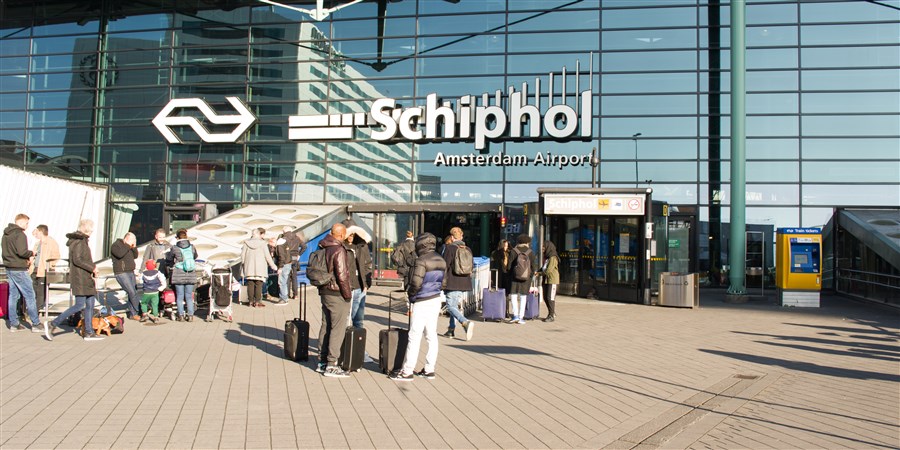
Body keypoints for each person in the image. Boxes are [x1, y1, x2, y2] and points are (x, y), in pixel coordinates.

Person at [390, 232, 446, 381]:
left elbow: (415, 282)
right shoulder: (441, 259)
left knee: (414, 335)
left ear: (421, 244)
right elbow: (444, 282)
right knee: (431, 335)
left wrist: (412, 296)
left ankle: (407, 371)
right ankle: (429, 369)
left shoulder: (421, 260)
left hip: (422, 300)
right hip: (435, 299)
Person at [44, 219, 103, 341]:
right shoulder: (79, 242)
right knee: (79, 305)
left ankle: (89, 331)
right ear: (87, 229)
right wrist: (93, 268)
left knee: (90, 304)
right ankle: (52, 324)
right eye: (91, 229)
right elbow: (78, 260)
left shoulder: (80, 241)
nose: (92, 232)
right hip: (80, 278)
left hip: (85, 277)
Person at [316, 223, 352, 378]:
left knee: (326, 325)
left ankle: (322, 362)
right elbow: (342, 275)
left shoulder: (323, 247)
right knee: (337, 328)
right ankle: (332, 365)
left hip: (324, 291)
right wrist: (348, 295)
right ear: (341, 235)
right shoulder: (338, 249)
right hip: (337, 293)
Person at [3, 213, 43, 333]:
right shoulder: (20, 234)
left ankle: (14, 324)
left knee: (13, 296)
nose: (27, 226)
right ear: (21, 222)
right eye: (26, 223)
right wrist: (31, 253)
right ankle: (36, 323)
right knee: (30, 295)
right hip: (19, 268)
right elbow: (22, 252)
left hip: (9, 267)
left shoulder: (5, 235)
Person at [440, 227, 474, 341]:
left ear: (452, 237)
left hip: (452, 281)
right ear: (462, 236)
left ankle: (465, 322)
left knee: (450, 307)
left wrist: (441, 282)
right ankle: (451, 329)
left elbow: (444, 266)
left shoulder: (450, 248)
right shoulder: (468, 249)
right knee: (454, 305)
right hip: (464, 282)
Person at [167, 229, 199, 321]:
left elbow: (169, 258)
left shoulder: (175, 248)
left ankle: (180, 315)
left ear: (177, 237)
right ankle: (190, 315)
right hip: (190, 273)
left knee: (180, 296)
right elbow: (195, 256)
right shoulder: (192, 247)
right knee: (189, 296)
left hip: (178, 273)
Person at [345, 225, 373, 330]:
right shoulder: (342, 247)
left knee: (359, 319)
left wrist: (366, 284)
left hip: (360, 286)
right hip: (347, 286)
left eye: (353, 235)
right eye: (349, 234)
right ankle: (346, 342)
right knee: (347, 318)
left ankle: (358, 342)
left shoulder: (361, 246)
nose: (350, 237)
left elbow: (367, 264)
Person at [240, 228, 276, 308]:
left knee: (250, 284)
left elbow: (242, 256)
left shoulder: (246, 243)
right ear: (259, 234)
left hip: (249, 267)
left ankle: (250, 301)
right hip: (260, 268)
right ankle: (257, 302)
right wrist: (273, 266)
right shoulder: (263, 243)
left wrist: (244, 264)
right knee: (259, 284)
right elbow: (267, 256)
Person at [506, 234, 537, 324]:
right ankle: (521, 317)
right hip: (526, 278)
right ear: (527, 242)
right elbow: (533, 266)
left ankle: (515, 315)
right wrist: (530, 275)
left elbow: (509, 266)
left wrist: (511, 274)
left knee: (514, 295)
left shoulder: (513, 251)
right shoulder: (530, 252)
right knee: (523, 296)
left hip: (514, 277)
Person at [30, 224, 60, 313]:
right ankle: (33, 308)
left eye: (37, 232)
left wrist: (50, 265)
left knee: (41, 292)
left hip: (43, 270)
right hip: (34, 269)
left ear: (41, 232)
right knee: (33, 291)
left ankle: (36, 310)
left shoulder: (51, 242)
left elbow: (56, 256)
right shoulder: (37, 243)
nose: (36, 234)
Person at [111, 232, 140, 320]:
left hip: (130, 271)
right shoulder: (116, 245)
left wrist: (134, 247)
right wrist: (128, 245)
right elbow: (120, 254)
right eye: (131, 241)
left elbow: (135, 256)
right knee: (131, 292)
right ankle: (138, 311)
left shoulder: (129, 247)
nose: (132, 243)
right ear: (126, 239)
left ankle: (132, 313)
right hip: (121, 272)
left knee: (133, 292)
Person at [280, 226, 307, 300]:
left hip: (287, 258)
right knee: (294, 276)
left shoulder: (284, 239)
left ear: (284, 232)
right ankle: (295, 295)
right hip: (295, 258)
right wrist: (299, 254)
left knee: (287, 276)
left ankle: (287, 294)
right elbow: (304, 246)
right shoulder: (297, 238)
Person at [540, 241, 560, 322]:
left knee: (550, 297)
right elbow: (544, 268)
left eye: (544, 247)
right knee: (545, 297)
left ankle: (551, 315)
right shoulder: (547, 257)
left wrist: (539, 273)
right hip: (546, 280)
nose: (542, 248)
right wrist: (538, 271)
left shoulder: (553, 257)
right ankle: (551, 312)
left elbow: (549, 270)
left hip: (552, 280)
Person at [272, 236, 292, 305]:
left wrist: (280, 267)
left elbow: (282, 257)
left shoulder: (279, 246)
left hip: (283, 266)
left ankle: (283, 299)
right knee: (284, 282)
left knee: (282, 282)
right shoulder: (284, 243)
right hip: (288, 264)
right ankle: (285, 298)